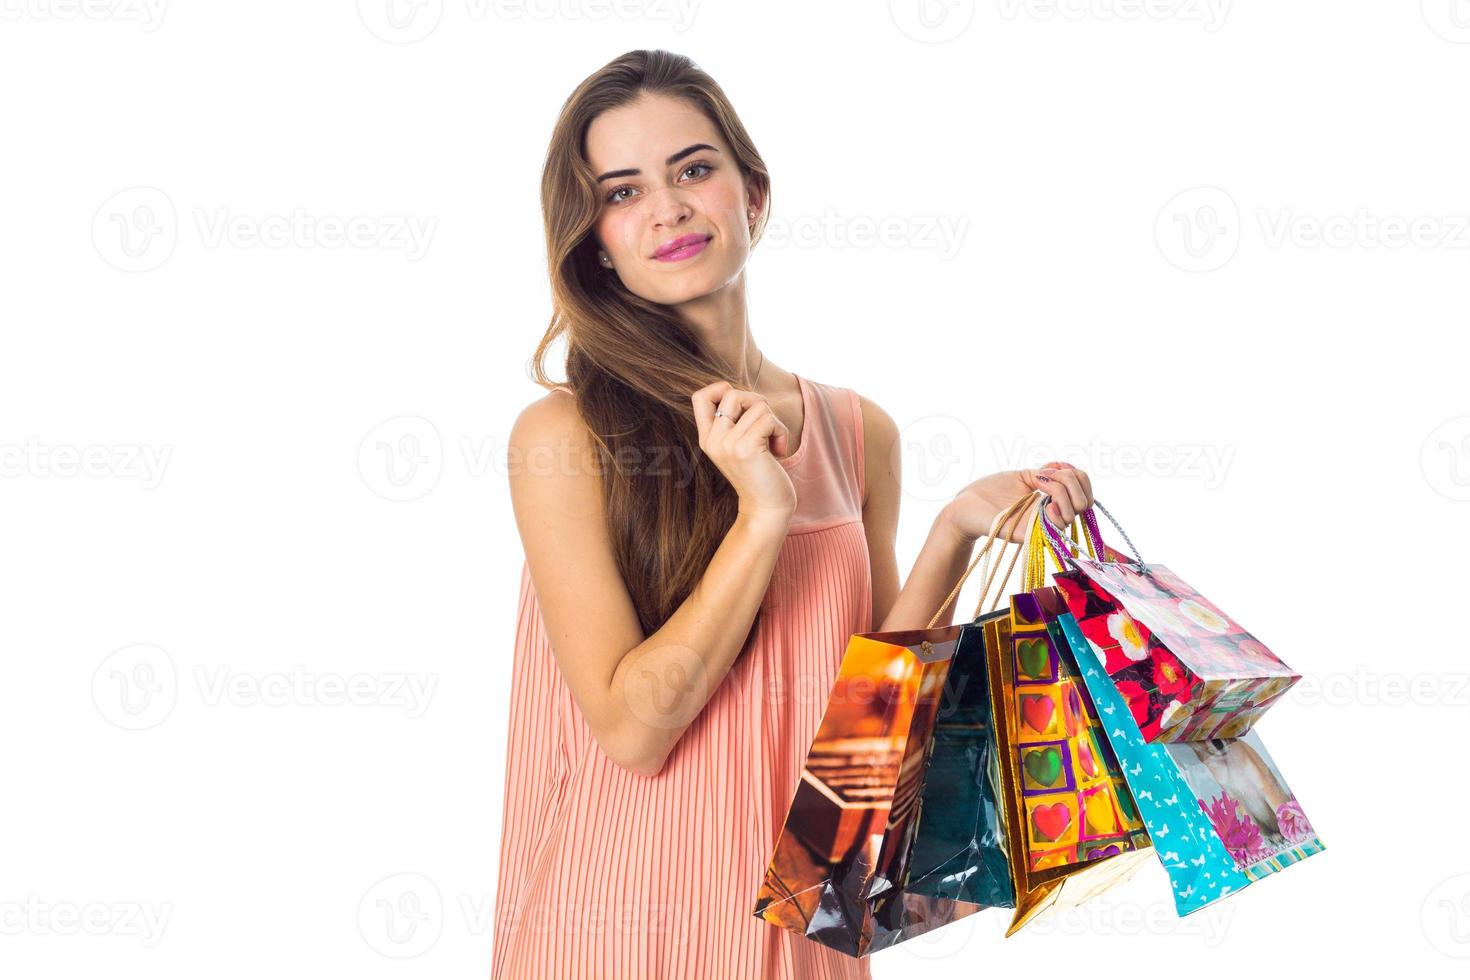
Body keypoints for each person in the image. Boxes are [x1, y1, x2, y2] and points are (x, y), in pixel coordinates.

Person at [490, 48, 1096, 980]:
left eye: (694, 169)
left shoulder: (858, 432)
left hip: (800, 923)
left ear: (754, 195)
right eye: (622, 192)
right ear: (595, 241)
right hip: (622, 923)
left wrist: (954, 532)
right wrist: (759, 516)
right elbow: (632, 731)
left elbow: (866, 737)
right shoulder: (567, 437)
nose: (669, 208)